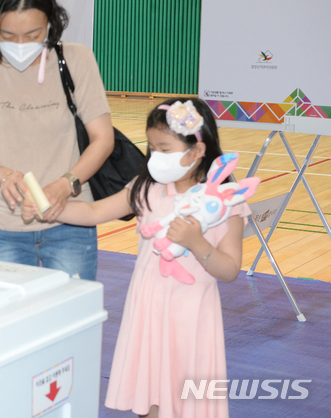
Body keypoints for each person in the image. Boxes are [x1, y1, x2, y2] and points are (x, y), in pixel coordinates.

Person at [23, 98, 250, 418]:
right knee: (149, 400)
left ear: (198, 151)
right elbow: (93, 210)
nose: (155, 157)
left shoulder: (225, 201)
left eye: (165, 149)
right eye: (151, 148)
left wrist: (196, 243)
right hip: (147, 310)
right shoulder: (146, 188)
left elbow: (229, 269)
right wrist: (50, 210)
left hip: (192, 318)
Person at [0, 0, 114, 280]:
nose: (21, 44)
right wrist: (3, 175)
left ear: (51, 24)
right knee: (10, 322)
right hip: (5, 226)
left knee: (70, 322)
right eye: (9, 36)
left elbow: (102, 139)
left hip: (71, 222)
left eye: (34, 34)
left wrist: (64, 185)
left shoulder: (77, 60)